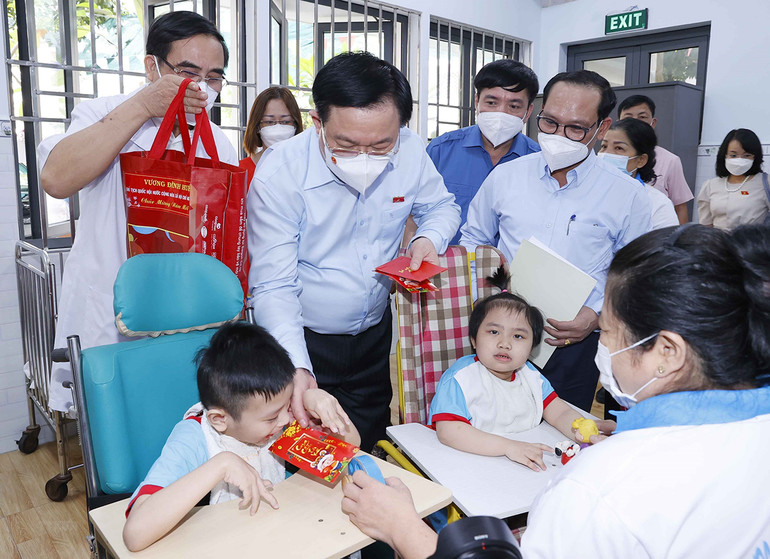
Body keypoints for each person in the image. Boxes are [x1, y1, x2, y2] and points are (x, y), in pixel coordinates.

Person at [341, 223, 770, 559]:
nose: (600, 345)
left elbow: (558, 413)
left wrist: (403, 528)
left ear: (666, 352)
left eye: (609, 331)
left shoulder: (601, 488)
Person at [247, 52, 461, 451]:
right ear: (316, 122)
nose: (364, 158)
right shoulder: (280, 172)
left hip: (373, 336)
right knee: (302, 454)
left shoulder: (411, 150)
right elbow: (274, 284)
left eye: (381, 145)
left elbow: (443, 207)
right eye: (345, 144)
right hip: (302, 338)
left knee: (367, 444)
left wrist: (426, 239)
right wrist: (297, 368)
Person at [37, 11, 238, 414]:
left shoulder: (217, 141)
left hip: (187, 314)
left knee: (182, 420)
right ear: (152, 66)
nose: (202, 86)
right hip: (113, 315)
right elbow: (57, 180)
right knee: (116, 424)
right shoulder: (103, 113)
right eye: (187, 71)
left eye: (214, 76)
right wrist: (144, 106)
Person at [460, 70, 651, 412]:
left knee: (561, 435)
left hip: (572, 341)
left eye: (576, 128)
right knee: (490, 420)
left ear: (601, 129)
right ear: (537, 112)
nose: (559, 135)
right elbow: (474, 238)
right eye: (549, 122)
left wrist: (595, 315)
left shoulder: (627, 195)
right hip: (499, 334)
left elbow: (635, 272)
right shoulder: (506, 176)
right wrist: (488, 281)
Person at [122, 321, 359, 552]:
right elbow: (135, 534)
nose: (286, 420)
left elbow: (351, 445)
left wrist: (320, 405)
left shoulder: (277, 421)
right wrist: (222, 464)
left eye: (287, 406)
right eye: (272, 416)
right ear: (220, 420)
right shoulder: (194, 438)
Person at [428, 267, 615, 471]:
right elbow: (449, 431)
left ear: (532, 347)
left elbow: (559, 412)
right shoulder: (460, 379)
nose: (504, 343)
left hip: (520, 466)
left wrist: (582, 429)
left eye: (518, 336)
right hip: (466, 466)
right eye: (493, 332)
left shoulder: (531, 376)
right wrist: (508, 447)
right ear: (474, 339)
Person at [426, 60, 540, 244]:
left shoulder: (538, 161)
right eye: (492, 102)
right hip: (446, 265)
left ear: (528, 112)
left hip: (510, 270)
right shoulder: (441, 150)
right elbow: (415, 213)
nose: (501, 113)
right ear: (477, 101)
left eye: (514, 106)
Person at [617, 95, 693, 224]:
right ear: (618, 122)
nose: (635, 123)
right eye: (628, 117)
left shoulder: (670, 160)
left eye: (642, 117)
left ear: (653, 123)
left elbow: (680, 207)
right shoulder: (607, 158)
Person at [599, 118, 678, 230]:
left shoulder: (656, 204)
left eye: (619, 148)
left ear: (641, 160)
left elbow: (665, 244)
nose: (607, 154)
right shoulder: (585, 191)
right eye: (604, 146)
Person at [697, 128, 768, 229]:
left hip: (751, 243)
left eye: (747, 155)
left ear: (755, 157)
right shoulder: (710, 185)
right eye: (733, 155)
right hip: (717, 243)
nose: (739, 159)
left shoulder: (765, 183)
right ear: (725, 155)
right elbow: (705, 227)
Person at [241, 86, 304, 183]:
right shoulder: (240, 172)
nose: (278, 128)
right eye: (269, 122)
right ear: (257, 126)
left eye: (285, 122)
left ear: (296, 124)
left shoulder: (306, 170)